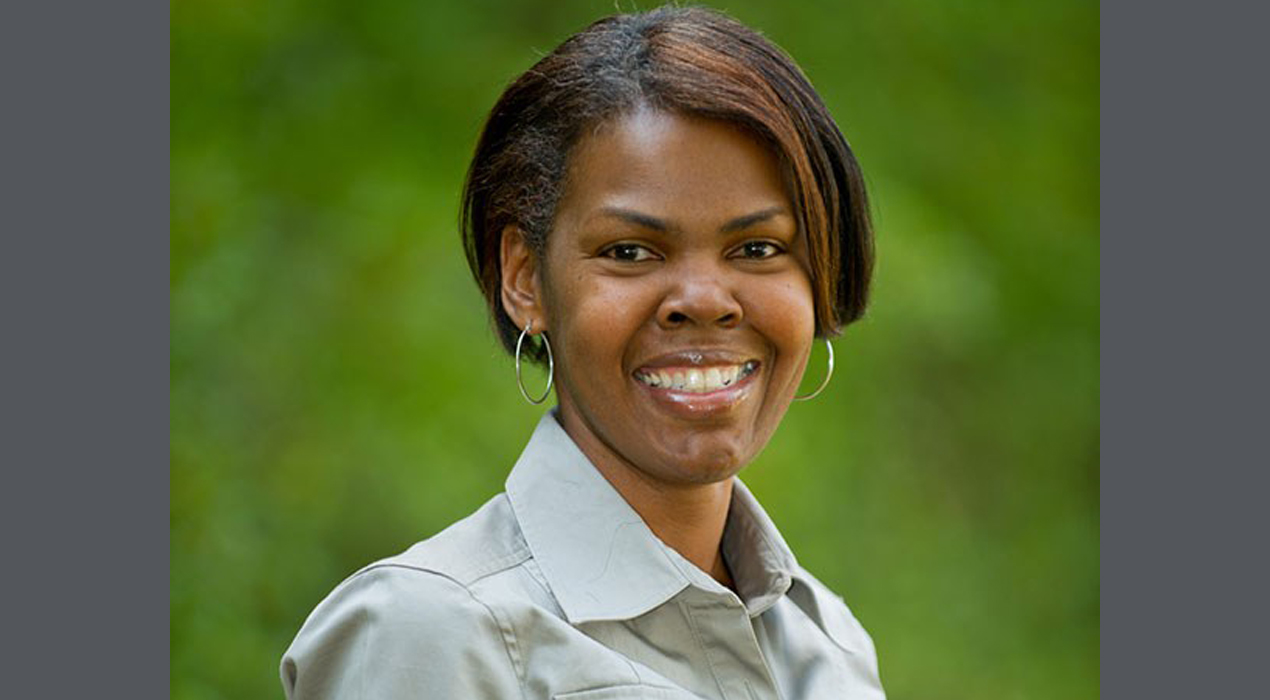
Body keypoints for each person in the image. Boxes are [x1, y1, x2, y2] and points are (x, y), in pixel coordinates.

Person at [281, 6, 883, 699]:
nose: (705, 299)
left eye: (757, 249)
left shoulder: (827, 645)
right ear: (525, 278)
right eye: (629, 251)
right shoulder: (435, 632)